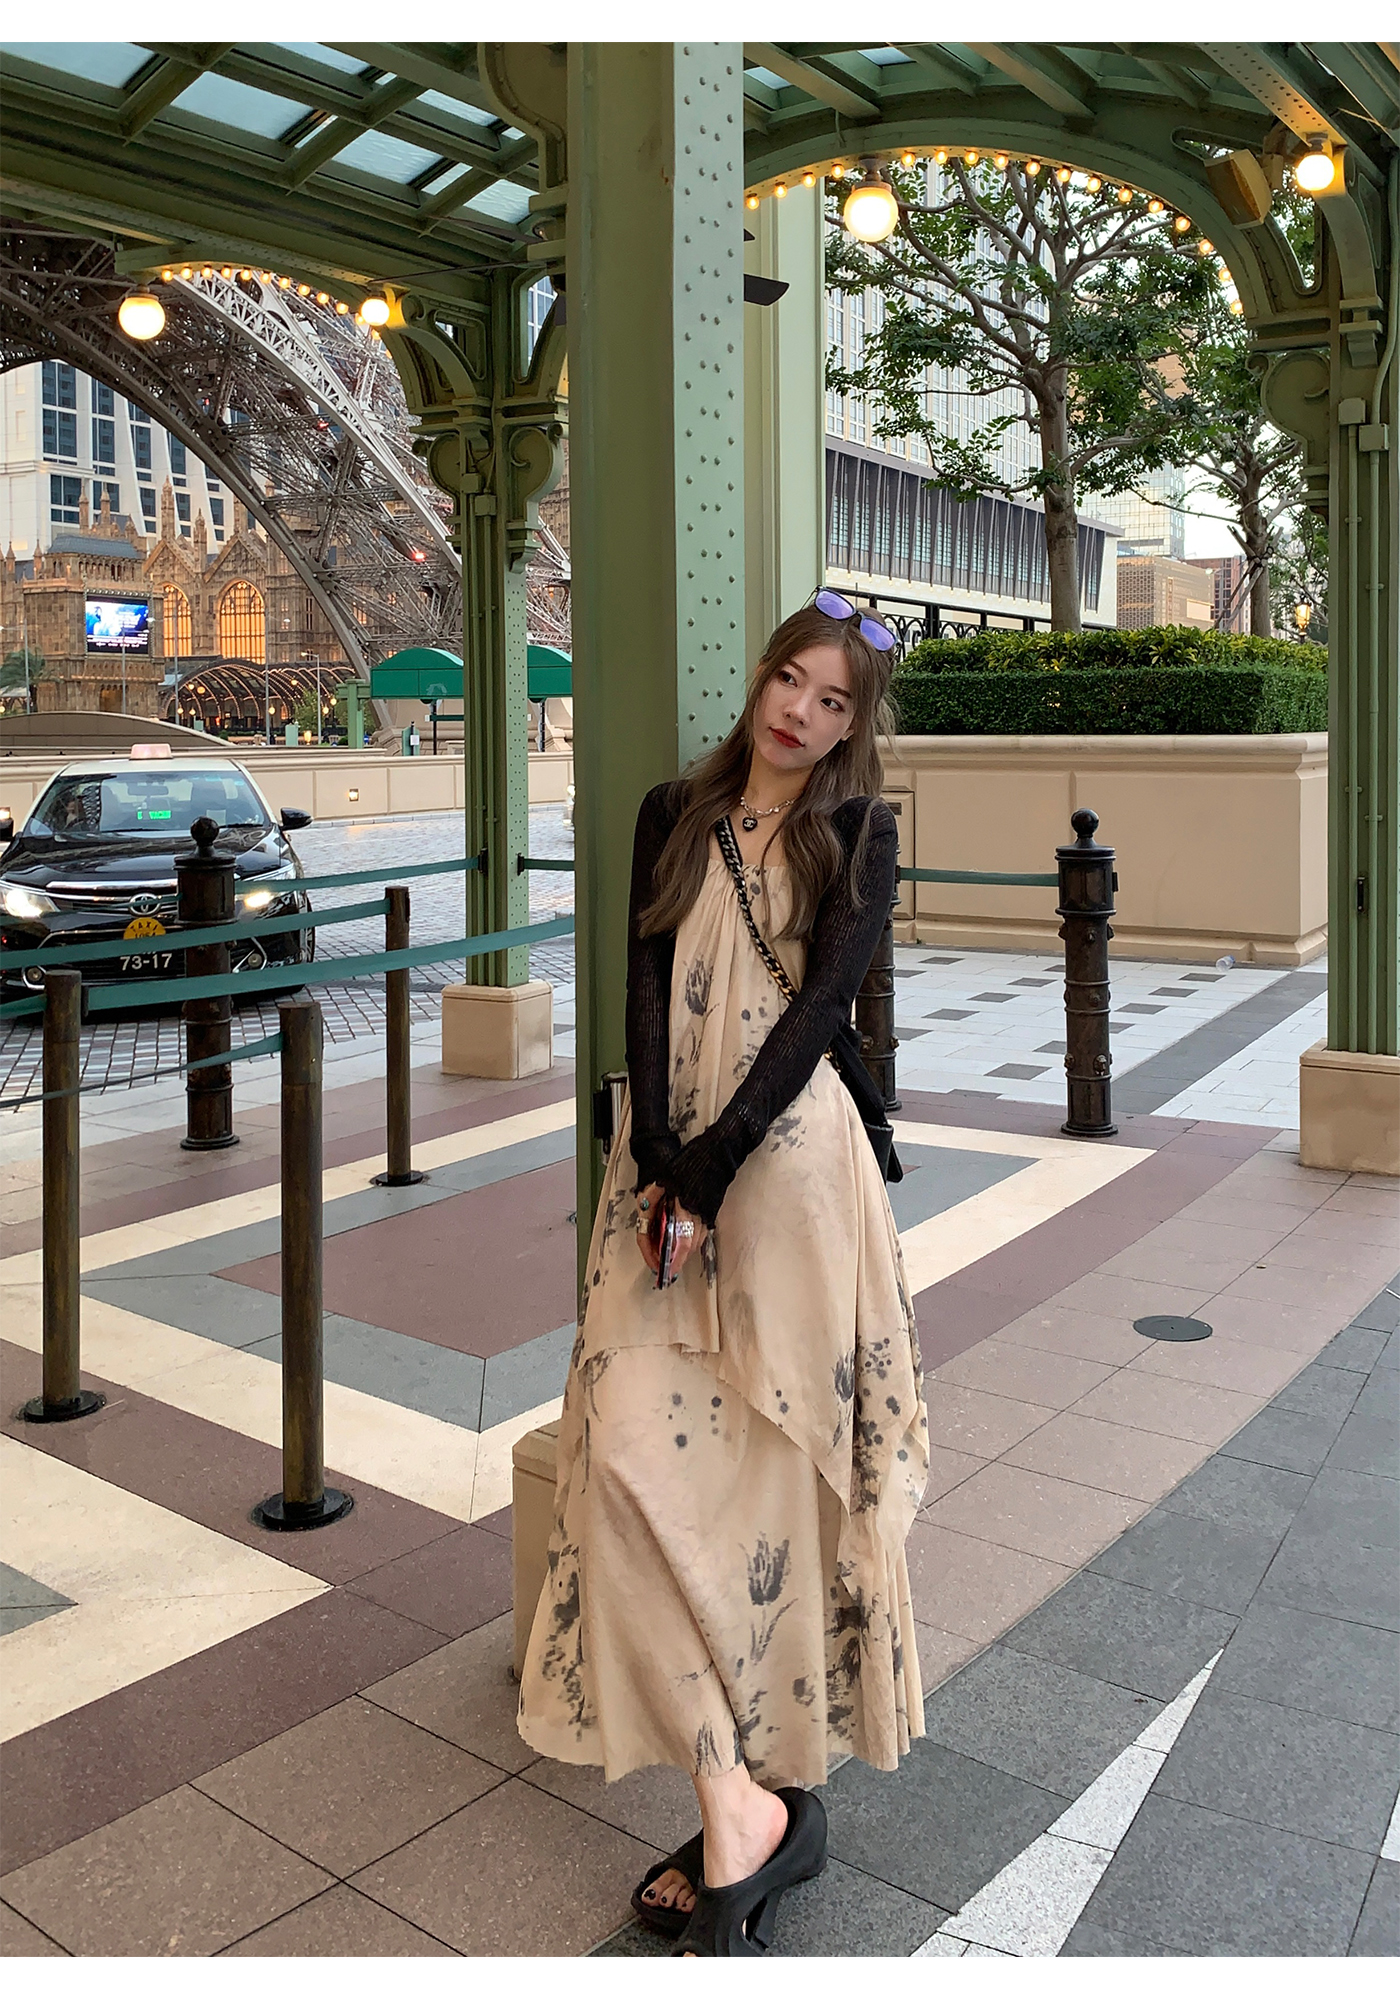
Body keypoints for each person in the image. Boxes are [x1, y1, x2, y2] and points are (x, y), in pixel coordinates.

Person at [517, 596, 929, 1955]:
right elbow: (640, 986)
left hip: (790, 1180)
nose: (800, 712)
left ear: (855, 724)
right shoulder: (671, 812)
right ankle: (736, 1798)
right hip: (666, 1181)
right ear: (762, 679)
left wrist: (711, 1168)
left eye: (833, 700)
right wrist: (657, 1162)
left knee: (771, 1485)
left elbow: (820, 1014)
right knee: (626, 1462)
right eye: (790, 680)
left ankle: (751, 1798)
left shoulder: (859, 833)